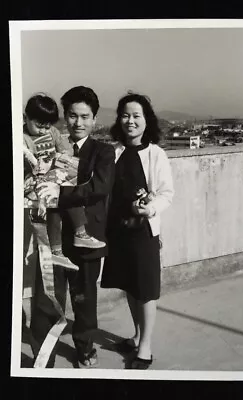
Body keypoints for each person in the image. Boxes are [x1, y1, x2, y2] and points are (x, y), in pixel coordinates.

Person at [31, 86, 115, 368]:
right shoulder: (52, 145)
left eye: (84, 116)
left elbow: (99, 188)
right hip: (53, 236)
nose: (78, 123)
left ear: (94, 119)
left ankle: (84, 346)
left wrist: (58, 193)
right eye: (72, 116)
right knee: (47, 299)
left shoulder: (103, 151)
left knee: (84, 298)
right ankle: (45, 357)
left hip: (87, 236)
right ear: (64, 118)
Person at [101, 93, 174, 370]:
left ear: (147, 120)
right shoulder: (113, 152)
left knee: (145, 289)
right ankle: (135, 336)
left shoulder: (156, 154)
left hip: (143, 232)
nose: (130, 121)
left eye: (136, 116)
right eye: (125, 115)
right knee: (130, 286)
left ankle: (145, 347)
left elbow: (167, 193)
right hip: (118, 231)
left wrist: (150, 208)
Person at [23, 94, 106, 272]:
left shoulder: (52, 132)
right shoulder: (23, 138)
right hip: (34, 180)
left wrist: (63, 157)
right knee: (54, 202)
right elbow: (27, 159)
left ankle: (75, 236)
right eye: (39, 126)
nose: (44, 131)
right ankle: (59, 247)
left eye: (47, 127)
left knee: (64, 194)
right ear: (25, 118)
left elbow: (65, 147)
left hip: (53, 176)